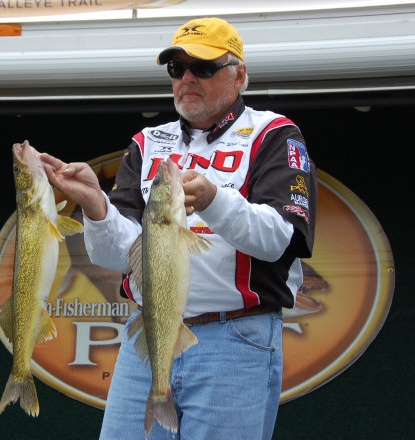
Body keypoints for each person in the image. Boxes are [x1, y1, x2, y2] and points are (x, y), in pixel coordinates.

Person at [41, 17, 317, 440]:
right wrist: (97, 207)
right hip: (149, 333)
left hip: (235, 337)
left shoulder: (274, 134)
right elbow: (117, 256)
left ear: (239, 74)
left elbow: (280, 238)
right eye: (177, 68)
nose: (187, 78)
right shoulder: (147, 142)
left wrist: (214, 199)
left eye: (203, 67)